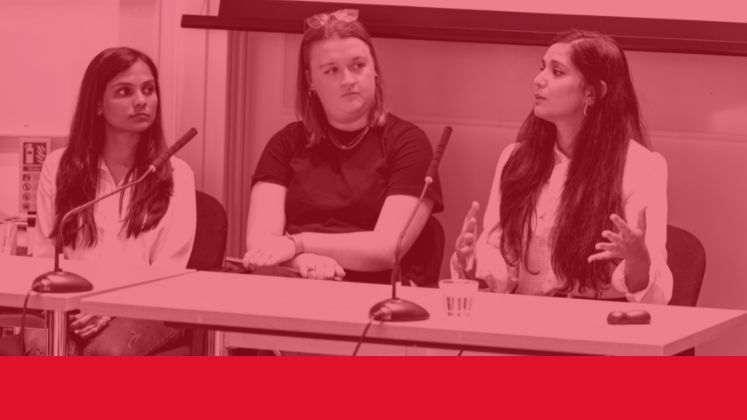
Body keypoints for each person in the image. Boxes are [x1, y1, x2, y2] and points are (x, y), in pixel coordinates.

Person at [452, 30, 672, 304]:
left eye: (557, 72)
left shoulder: (641, 166)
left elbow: (651, 295)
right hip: (524, 316)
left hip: (599, 320)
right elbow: (503, 270)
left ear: (593, 92)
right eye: (542, 68)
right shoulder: (516, 158)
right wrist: (471, 263)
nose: (538, 80)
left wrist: (637, 258)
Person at [243, 9, 443, 284]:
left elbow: (388, 249)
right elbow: (260, 244)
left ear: (374, 69)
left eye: (358, 65)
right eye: (331, 70)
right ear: (311, 80)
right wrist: (303, 261)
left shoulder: (409, 143)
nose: (348, 79)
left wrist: (298, 244)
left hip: (378, 294)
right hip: (296, 284)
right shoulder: (285, 143)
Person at [28, 47, 196, 355]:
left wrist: (108, 307)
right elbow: (45, 256)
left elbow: (167, 271)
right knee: (47, 350)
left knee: (104, 352)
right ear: (97, 104)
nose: (141, 101)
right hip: (70, 305)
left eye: (148, 90)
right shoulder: (59, 166)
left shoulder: (177, 174)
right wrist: (73, 305)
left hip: (147, 306)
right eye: (124, 91)